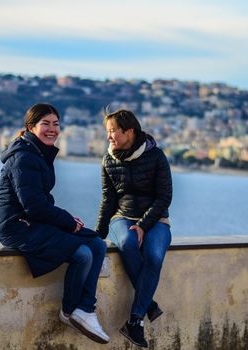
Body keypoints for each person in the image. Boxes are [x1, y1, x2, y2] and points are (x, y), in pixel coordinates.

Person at [0, 103, 110, 344]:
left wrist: (67, 221)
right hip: (17, 226)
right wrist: (67, 222)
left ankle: (85, 309)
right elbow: (33, 205)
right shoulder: (23, 157)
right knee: (83, 254)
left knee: (97, 243)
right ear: (30, 127)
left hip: (34, 221)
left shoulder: (38, 153)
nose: (52, 129)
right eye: (45, 123)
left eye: (55, 124)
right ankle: (69, 312)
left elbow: (39, 204)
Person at [95, 109, 172, 348]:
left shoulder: (156, 156)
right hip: (122, 218)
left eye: (112, 131)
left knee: (154, 256)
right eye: (107, 131)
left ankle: (135, 321)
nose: (109, 137)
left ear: (129, 131)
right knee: (128, 244)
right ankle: (147, 304)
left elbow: (164, 197)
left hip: (157, 219)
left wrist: (143, 225)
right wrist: (97, 234)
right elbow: (108, 200)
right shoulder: (108, 160)